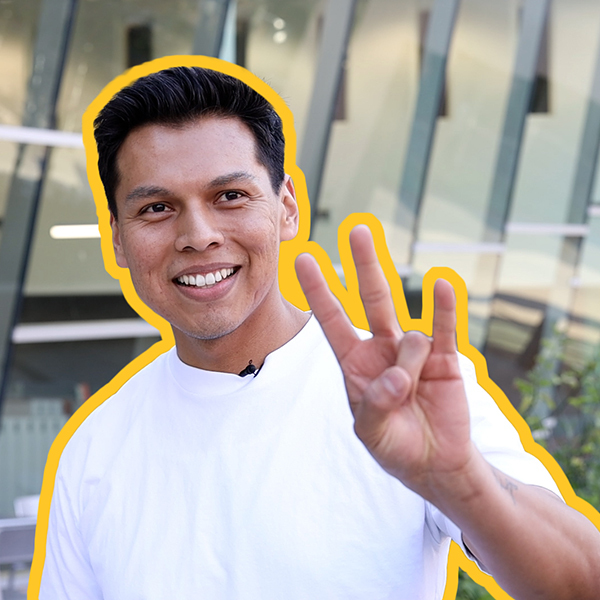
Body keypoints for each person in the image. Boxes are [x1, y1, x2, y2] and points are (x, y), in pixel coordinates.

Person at [37, 63, 600, 600]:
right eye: (157, 208)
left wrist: (459, 478)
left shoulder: (399, 392)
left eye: (229, 196)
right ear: (116, 237)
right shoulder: (93, 452)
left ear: (287, 208)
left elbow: (583, 583)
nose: (198, 235)